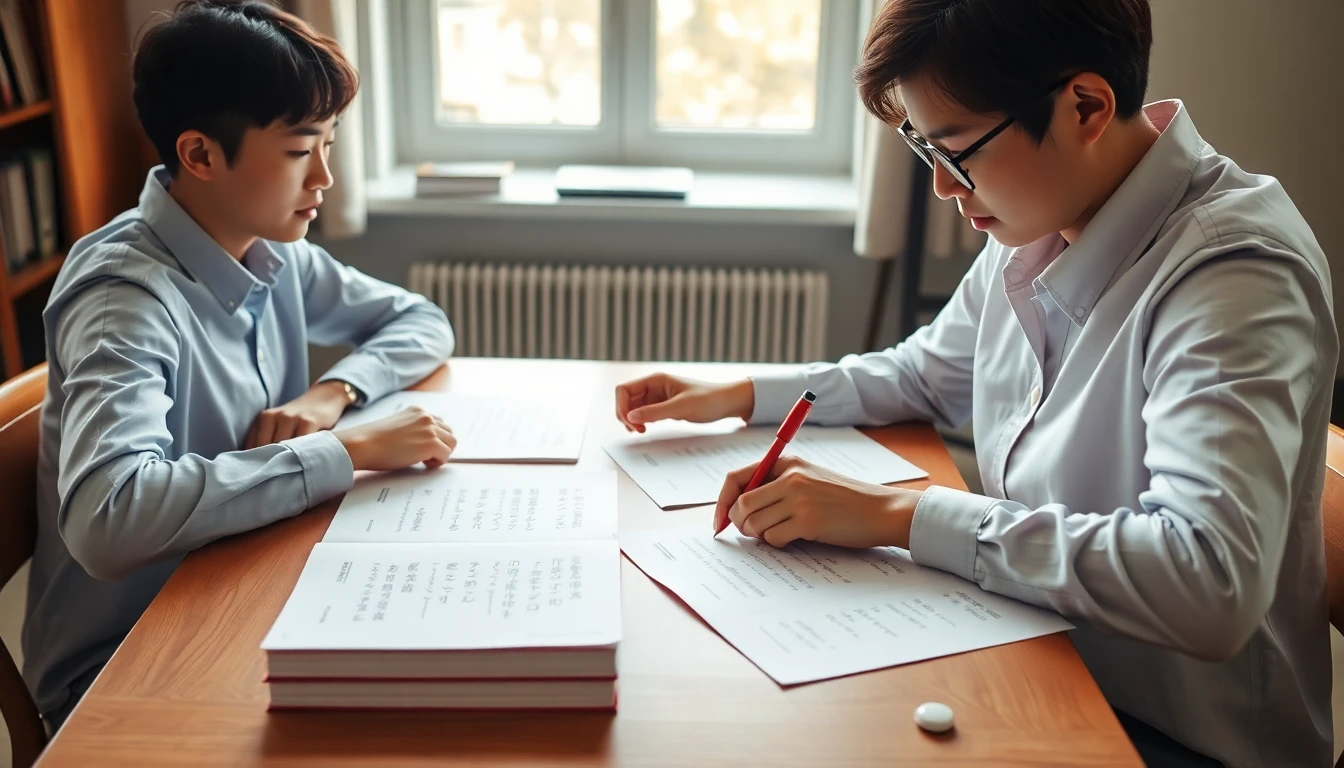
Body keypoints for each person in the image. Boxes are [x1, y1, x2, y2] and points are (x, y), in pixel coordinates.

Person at [615, 1, 1336, 765]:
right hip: (1042, 661)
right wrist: (740, 395)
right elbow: (925, 374)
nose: (941, 187)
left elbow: (1207, 580)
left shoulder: (1232, 275)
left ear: (1084, 106)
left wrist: (902, 514)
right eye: (923, 147)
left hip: (1173, 738)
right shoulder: (1050, 214)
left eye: (956, 151)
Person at [23, 0, 457, 732]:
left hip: (245, 591)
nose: (323, 175)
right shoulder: (123, 299)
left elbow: (423, 321)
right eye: (298, 151)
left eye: (330, 141)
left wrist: (334, 391)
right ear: (199, 155)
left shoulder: (269, 249)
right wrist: (338, 449)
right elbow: (108, 519)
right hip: (123, 670)